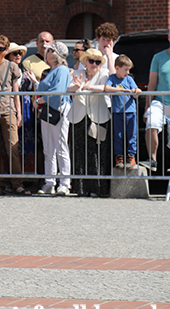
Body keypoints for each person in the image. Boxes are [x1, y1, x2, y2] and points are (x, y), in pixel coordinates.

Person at [0, 35, 26, 194]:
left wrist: (19, 113)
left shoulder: (12, 66)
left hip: (8, 110)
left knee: (12, 149)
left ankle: (17, 183)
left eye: (1, 49)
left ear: (7, 50)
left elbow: (16, 91)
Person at [67, 48, 111, 197]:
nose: (94, 64)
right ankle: (80, 188)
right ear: (85, 62)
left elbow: (104, 88)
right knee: (78, 151)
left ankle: (98, 188)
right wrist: (78, 86)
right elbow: (68, 88)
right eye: (91, 61)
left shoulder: (103, 73)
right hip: (78, 116)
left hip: (98, 117)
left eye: (97, 62)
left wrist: (87, 87)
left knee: (97, 153)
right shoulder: (77, 73)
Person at [35, 42, 72, 195]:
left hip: (59, 109)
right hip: (49, 110)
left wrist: (40, 100)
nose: (46, 52)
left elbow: (57, 91)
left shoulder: (62, 70)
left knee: (61, 146)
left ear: (56, 54)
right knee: (48, 148)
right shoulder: (51, 71)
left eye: (49, 50)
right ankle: (50, 181)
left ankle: (64, 182)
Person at [104, 55, 141, 170]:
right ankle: (119, 156)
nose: (127, 72)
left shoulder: (129, 79)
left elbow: (137, 90)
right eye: (125, 69)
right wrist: (122, 90)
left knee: (132, 134)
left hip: (130, 111)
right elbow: (107, 88)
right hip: (117, 111)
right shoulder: (112, 78)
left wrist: (136, 91)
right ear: (117, 68)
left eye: (129, 69)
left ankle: (131, 156)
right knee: (118, 135)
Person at [144, 30, 170, 172]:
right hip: (160, 102)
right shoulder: (158, 58)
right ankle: (152, 160)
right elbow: (152, 84)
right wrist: (147, 106)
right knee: (152, 122)